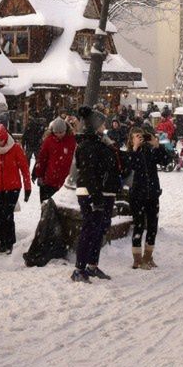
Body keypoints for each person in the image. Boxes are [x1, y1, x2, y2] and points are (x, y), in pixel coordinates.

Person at [71, 107, 119, 282]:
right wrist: (96, 198)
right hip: (92, 193)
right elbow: (88, 174)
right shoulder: (88, 146)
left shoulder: (100, 143)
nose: (104, 126)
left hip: (103, 192)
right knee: (89, 230)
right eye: (101, 123)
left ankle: (92, 265)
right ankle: (79, 268)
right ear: (94, 126)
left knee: (98, 231)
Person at [124, 126, 169, 269]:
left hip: (153, 194)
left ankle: (148, 257)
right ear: (131, 139)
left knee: (152, 227)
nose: (140, 138)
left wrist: (157, 146)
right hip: (137, 195)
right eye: (137, 136)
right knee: (138, 226)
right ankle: (137, 259)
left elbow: (166, 161)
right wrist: (135, 148)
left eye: (141, 136)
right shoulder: (130, 153)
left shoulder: (150, 150)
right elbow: (128, 168)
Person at [0, 123, 30, 255]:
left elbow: (24, 169)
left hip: (12, 188)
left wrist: (27, 188)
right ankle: (3, 242)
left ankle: (9, 242)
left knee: (7, 215)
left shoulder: (15, 148)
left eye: (1, 140)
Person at [33, 118, 76, 202]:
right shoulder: (48, 141)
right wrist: (39, 175)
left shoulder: (72, 141)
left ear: (66, 130)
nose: (58, 135)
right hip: (49, 180)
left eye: (61, 132)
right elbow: (42, 159)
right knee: (47, 208)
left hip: (65, 182)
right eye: (56, 132)